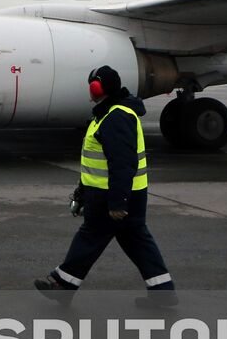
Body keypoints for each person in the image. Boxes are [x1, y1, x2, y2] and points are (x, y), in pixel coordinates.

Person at [34, 66, 176, 305]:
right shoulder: (106, 115)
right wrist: (82, 192)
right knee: (136, 240)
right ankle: (163, 292)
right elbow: (95, 161)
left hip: (113, 195)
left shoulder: (115, 117)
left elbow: (122, 163)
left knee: (91, 237)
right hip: (122, 193)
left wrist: (117, 202)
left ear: (98, 88)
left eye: (92, 85)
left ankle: (62, 284)